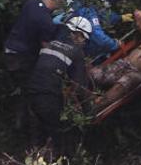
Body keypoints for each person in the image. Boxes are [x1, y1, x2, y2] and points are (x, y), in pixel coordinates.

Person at [4, 0, 73, 130]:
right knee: (32, 91)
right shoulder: (46, 22)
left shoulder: (31, 4)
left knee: (23, 89)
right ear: (59, 0)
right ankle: (26, 128)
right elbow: (45, 46)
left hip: (9, 52)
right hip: (22, 59)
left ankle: (20, 122)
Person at [25, 16, 92, 156]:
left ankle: (33, 161)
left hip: (30, 90)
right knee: (61, 132)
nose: (84, 42)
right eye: (84, 38)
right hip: (47, 94)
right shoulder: (76, 52)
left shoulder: (51, 43)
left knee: (37, 132)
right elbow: (80, 86)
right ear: (78, 34)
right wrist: (89, 112)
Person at [89, 10, 141, 111]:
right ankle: (76, 98)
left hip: (140, 74)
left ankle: (93, 108)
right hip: (123, 65)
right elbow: (138, 14)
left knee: (126, 80)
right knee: (93, 73)